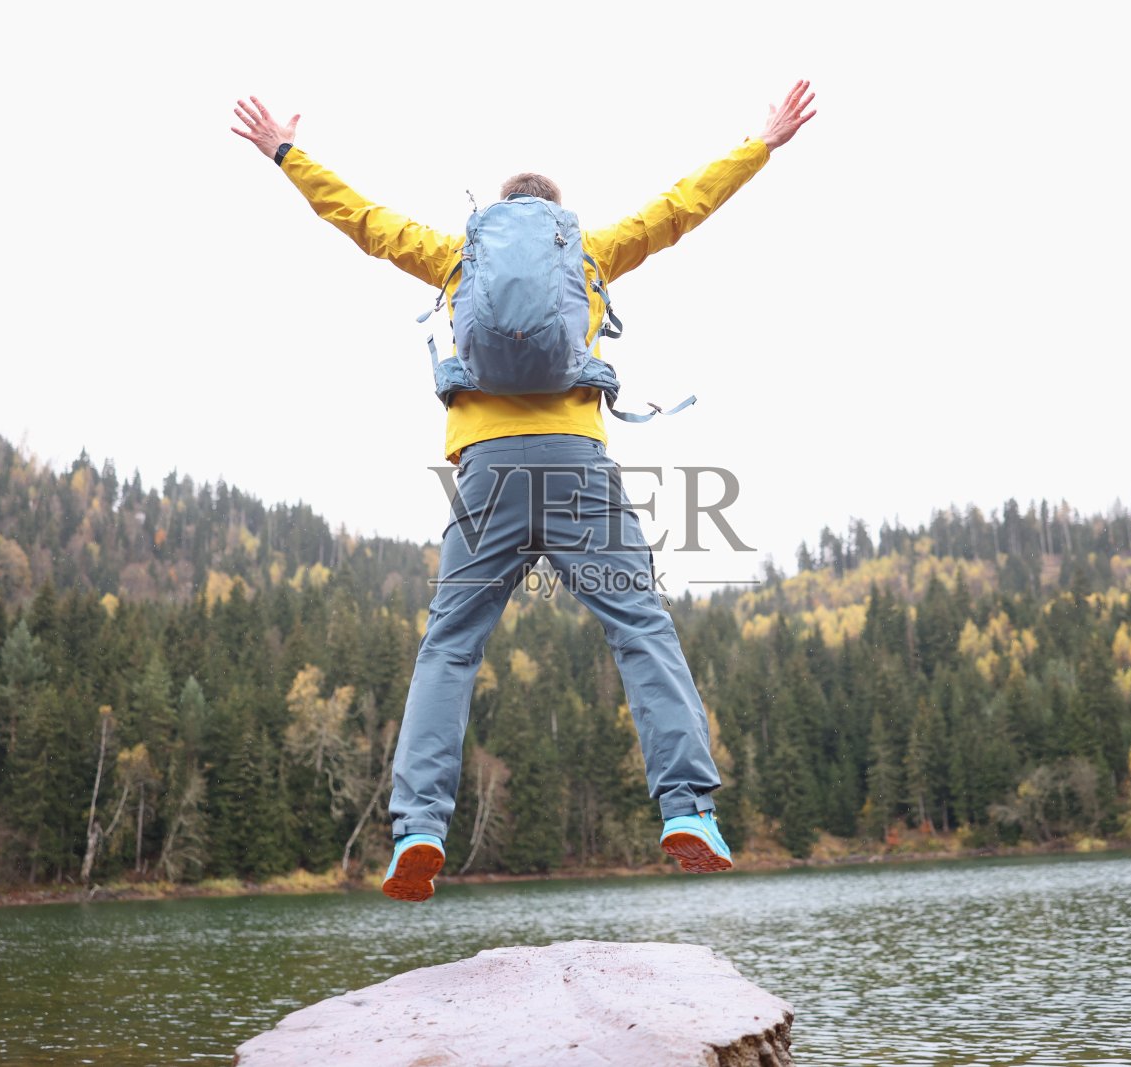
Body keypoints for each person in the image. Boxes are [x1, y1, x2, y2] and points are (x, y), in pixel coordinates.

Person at [231, 83, 816, 901]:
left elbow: (358, 218)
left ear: (497, 217)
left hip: (486, 473)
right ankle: (687, 808)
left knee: (452, 645)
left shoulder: (455, 255)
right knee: (640, 626)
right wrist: (762, 142)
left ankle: (420, 827)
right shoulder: (590, 252)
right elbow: (686, 205)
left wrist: (286, 153)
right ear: (556, 221)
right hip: (577, 463)